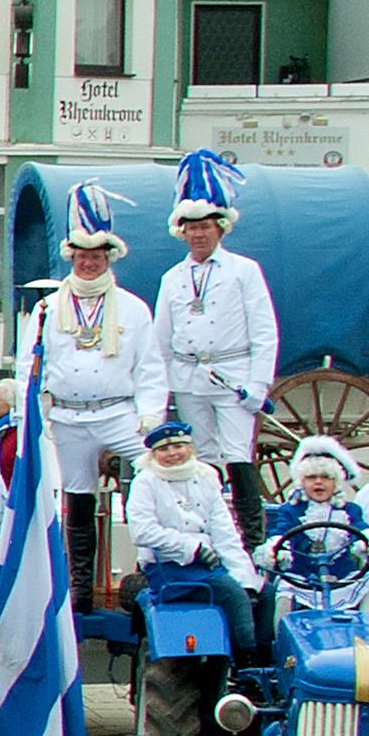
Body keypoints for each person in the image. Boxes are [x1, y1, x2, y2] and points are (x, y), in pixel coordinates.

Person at [8, 185, 163, 608]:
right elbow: (28, 368)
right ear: (71, 258)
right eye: (81, 256)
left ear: (109, 258)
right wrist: (29, 417)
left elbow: (150, 368)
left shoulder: (133, 308)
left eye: (96, 256)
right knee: (77, 498)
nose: (89, 263)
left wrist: (150, 417)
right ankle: (80, 585)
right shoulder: (47, 309)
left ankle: (152, 566)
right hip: (69, 416)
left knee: (154, 474)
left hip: (118, 412)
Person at [124, 417, 260, 736]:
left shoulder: (205, 479)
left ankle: (245, 670)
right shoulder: (146, 482)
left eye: (179, 446)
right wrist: (192, 547)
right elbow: (143, 531)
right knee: (231, 596)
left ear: (190, 448)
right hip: (171, 565)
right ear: (154, 454)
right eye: (165, 449)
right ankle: (248, 666)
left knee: (256, 593)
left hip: (209, 563)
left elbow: (224, 530)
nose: (173, 453)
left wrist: (247, 573)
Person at [153, 151, 278, 542]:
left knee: (238, 455)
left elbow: (264, 332)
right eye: (192, 228)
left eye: (206, 227)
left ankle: (253, 539)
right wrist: (161, 392)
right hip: (191, 378)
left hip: (233, 378)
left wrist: (258, 386)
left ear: (220, 229)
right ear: (182, 231)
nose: (199, 234)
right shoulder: (172, 278)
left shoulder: (244, 271)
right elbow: (161, 340)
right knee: (201, 458)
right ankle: (205, 532)